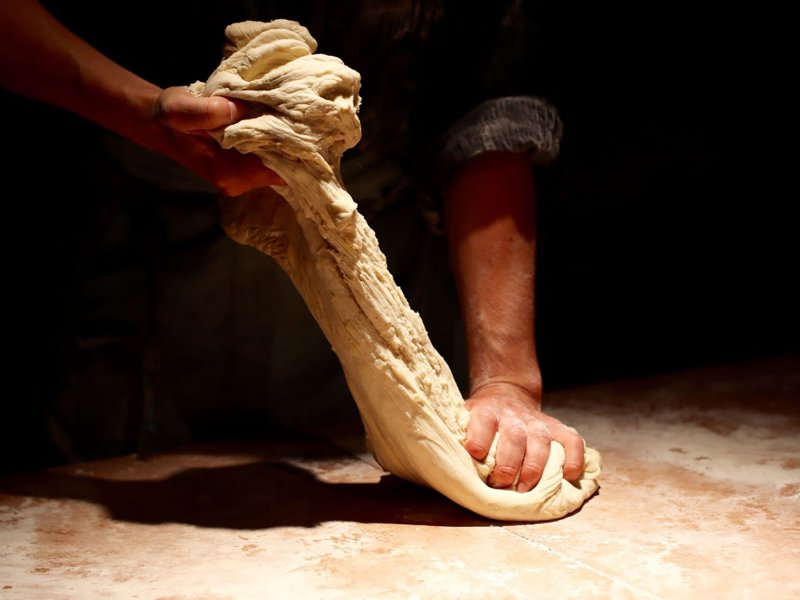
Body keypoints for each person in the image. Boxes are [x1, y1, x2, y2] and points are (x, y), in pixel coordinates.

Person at [0, 0, 585, 491]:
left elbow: (492, 104)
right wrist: (143, 113)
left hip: (372, 235)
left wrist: (507, 382)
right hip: (141, 259)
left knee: (388, 482)